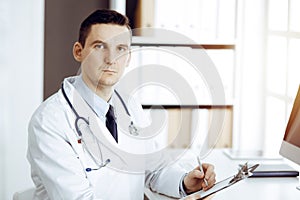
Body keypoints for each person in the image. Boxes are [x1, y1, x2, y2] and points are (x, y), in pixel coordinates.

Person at [27, 9, 216, 199]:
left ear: (129, 57)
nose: (111, 59)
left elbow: (153, 170)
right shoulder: (50, 121)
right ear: (78, 51)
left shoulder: (130, 105)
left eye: (120, 49)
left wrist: (185, 183)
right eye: (100, 46)